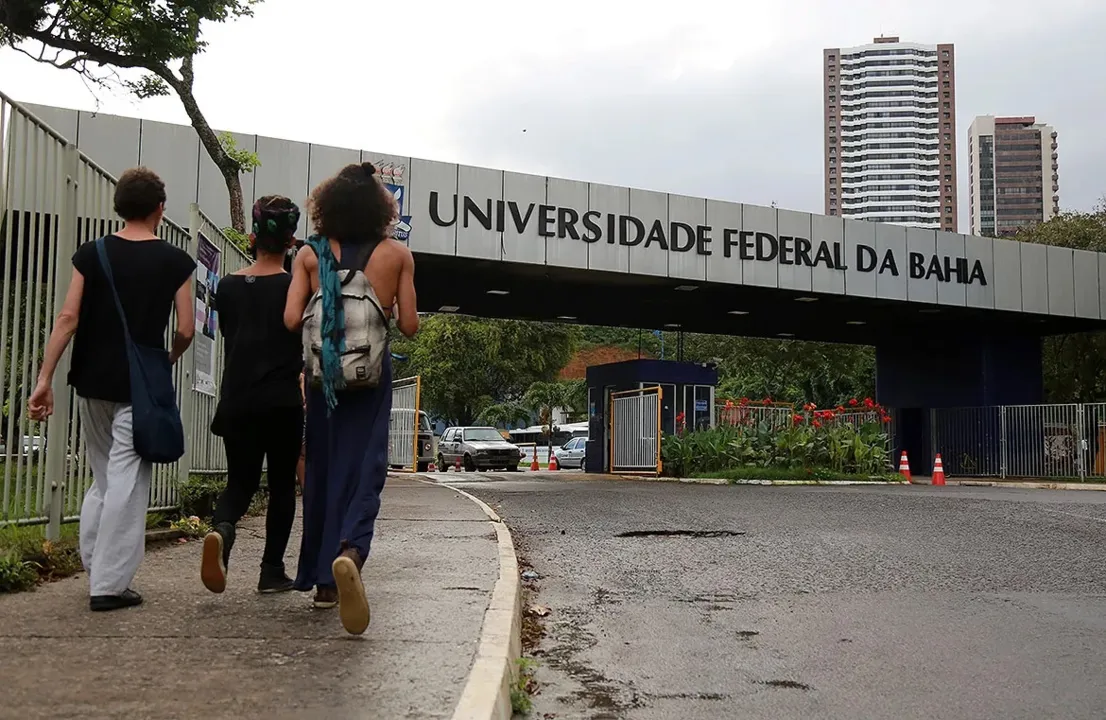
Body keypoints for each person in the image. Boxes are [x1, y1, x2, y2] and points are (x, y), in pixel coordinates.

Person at [27, 167, 195, 611]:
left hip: (90, 378)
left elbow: (67, 318)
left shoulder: (92, 253)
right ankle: (108, 583)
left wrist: (45, 379)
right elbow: (185, 328)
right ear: (160, 208)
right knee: (126, 480)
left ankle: (94, 559)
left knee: (104, 475)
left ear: (119, 207)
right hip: (139, 383)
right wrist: (166, 360)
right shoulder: (176, 261)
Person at [284, 162, 419, 634]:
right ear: (380, 209)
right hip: (370, 379)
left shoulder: (309, 253)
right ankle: (351, 551)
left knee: (321, 470)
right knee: (366, 467)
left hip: (323, 382)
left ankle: (323, 581)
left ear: (326, 207)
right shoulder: (395, 253)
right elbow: (409, 327)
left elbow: (289, 320)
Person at [200, 196, 304, 595]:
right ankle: (271, 571)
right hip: (282, 401)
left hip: (238, 400)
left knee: (239, 484)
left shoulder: (226, 287)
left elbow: (230, 334)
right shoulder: (296, 289)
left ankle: (222, 531)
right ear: (291, 242)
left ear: (251, 236)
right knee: (281, 486)